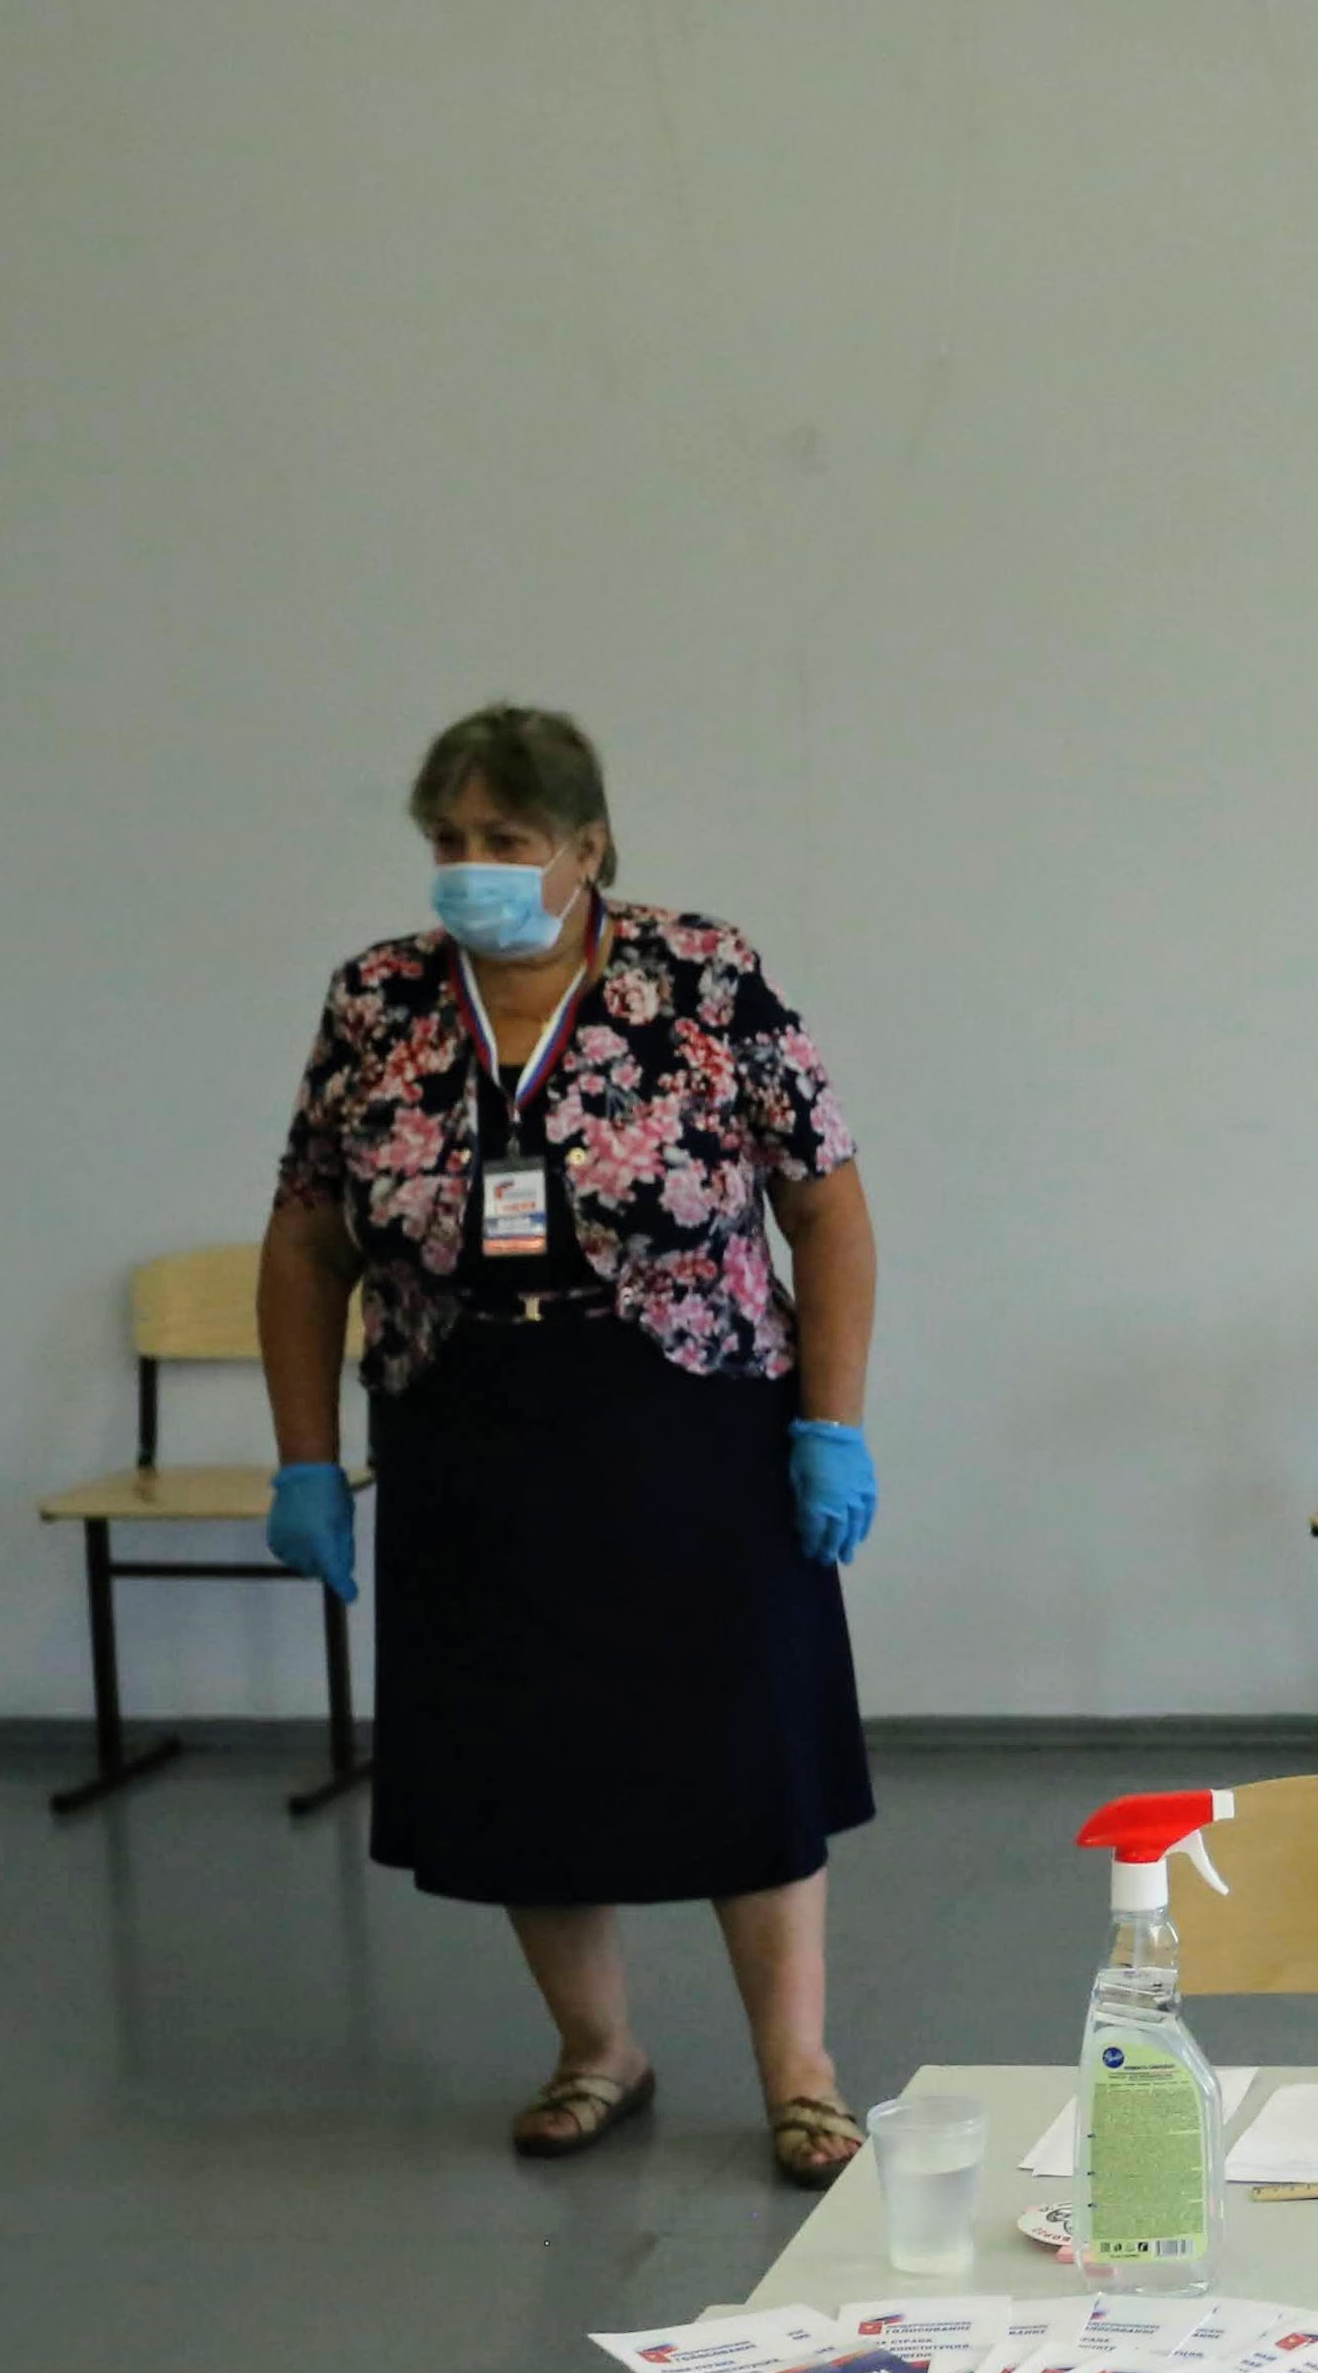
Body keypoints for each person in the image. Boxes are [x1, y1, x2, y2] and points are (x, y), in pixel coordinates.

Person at [256, 705, 886, 2187]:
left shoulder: (703, 977)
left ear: (588, 846)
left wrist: (831, 1427)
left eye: (507, 839)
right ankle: (597, 2051)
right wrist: (304, 1457)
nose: (471, 866)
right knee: (519, 1754)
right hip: (466, 1423)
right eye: (448, 839)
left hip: (692, 1415)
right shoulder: (380, 999)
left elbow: (827, 1210)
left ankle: (799, 2074)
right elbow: (305, 1240)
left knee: (744, 1745)